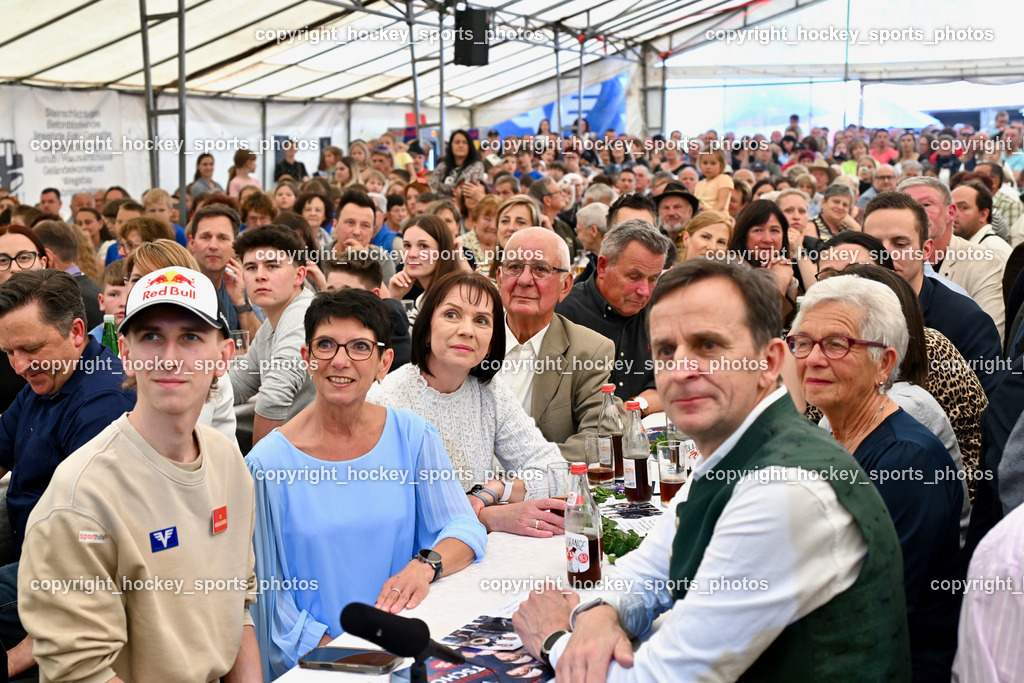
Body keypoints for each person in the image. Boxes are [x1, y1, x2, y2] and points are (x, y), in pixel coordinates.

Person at [513, 259, 910, 681]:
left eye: (708, 346)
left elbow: (664, 679)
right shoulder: (736, 448)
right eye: (666, 350)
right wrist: (599, 613)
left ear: (771, 361)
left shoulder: (784, 488)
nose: (681, 370)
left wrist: (554, 639)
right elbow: (646, 570)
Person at [18, 266, 261, 682]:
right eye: (151, 337)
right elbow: (82, 671)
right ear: (125, 354)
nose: (169, 357)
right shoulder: (82, 496)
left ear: (224, 356)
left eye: (190, 337)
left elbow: (237, 600)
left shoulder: (226, 461)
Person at [246, 288, 485, 678]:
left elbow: (463, 527)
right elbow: (268, 601)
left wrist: (424, 567)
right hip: (322, 665)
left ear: (383, 363)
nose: (340, 361)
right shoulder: (266, 465)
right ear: (307, 359)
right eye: (326, 345)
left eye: (359, 346)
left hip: (407, 652)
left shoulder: (413, 437)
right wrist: (347, 658)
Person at [790, 275, 962, 679]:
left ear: (884, 363)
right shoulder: (832, 434)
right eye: (803, 342)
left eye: (837, 344)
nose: (813, 359)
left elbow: (871, 608)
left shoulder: (908, 461)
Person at [0, 270, 136, 678]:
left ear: (77, 332)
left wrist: (31, 648)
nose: (19, 366)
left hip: (61, 574)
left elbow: (91, 557)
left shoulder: (102, 403)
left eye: (29, 349)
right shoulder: (48, 376)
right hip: (30, 546)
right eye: (8, 352)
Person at [368, 272, 567, 534]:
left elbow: (557, 473)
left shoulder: (490, 392)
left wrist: (497, 488)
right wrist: (489, 518)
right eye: (451, 315)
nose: (466, 330)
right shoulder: (385, 400)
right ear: (426, 329)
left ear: (491, 342)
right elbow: (393, 514)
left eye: (481, 320)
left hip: (478, 552)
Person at [863, 191, 1005, 396]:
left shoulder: (966, 321)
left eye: (900, 244)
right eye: (874, 244)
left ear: (926, 250)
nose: (885, 254)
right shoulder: (843, 309)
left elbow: (984, 413)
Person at [498, 228, 617, 462]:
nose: (524, 280)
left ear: (565, 286)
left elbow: (600, 436)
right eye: (514, 267)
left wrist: (524, 477)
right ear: (500, 278)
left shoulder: (588, 351)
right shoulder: (470, 339)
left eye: (541, 269)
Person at [555, 220, 670, 414]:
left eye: (653, 279)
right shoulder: (564, 313)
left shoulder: (661, 311)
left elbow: (671, 382)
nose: (644, 291)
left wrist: (631, 411)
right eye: (634, 277)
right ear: (602, 267)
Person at [230, 225, 315, 445]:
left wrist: (260, 469)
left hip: (312, 458)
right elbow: (237, 385)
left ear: (299, 276)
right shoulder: (272, 323)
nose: (260, 276)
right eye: (250, 267)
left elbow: (274, 397)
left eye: (272, 266)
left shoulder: (303, 314)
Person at [900, 176, 1006, 336]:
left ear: (951, 212)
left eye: (926, 205)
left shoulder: (982, 261)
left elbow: (988, 336)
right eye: (905, 207)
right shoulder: (883, 261)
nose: (916, 214)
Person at [185, 203, 262, 340]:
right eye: (205, 237)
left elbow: (263, 346)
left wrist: (240, 303)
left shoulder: (239, 281)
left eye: (222, 238)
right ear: (192, 243)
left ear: (235, 246)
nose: (213, 246)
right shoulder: (177, 286)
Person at [324, 253, 410, 371]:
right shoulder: (324, 325)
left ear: (374, 296)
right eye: (330, 293)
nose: (334, 301)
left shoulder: (391, 329)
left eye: (346, 293)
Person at [387, 214, 465, 321]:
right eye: (407, 245)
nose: (412, 254)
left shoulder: (453, 298)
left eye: (423, 246)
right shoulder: (424, 297)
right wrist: (395, 298)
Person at [430, 130, 484, 198]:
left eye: (464, 143)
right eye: (457, 142)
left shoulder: (477, 165)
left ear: (469, 146)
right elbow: (432, 185)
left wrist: (439, 187)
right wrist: (454, 189)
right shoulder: (443, 165)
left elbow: (463, 188)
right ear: (451, 145)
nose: (461, 145)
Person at [88, 260, 127, 342]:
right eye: (114, 295)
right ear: (102, 301)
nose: (123, 303)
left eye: (130, 294)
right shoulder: (90, 345)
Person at [655, 182, 699, 249]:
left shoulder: (698, 238)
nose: (671, 213)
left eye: (677, 207)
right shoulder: (655, 239)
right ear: (659, 212)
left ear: (690, 211)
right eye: (666, 208)